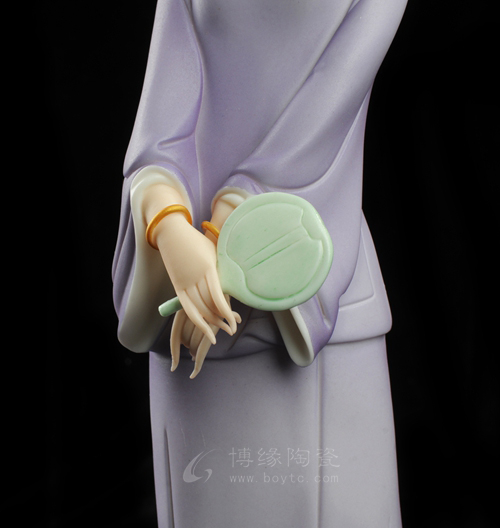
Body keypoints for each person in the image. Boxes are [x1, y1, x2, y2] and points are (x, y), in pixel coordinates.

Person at [112, 0, 407, 526]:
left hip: (303, 285)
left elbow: (324, 116)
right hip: (187, 292)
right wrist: (170, 228)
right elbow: (157, 134)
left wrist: (228, 236)